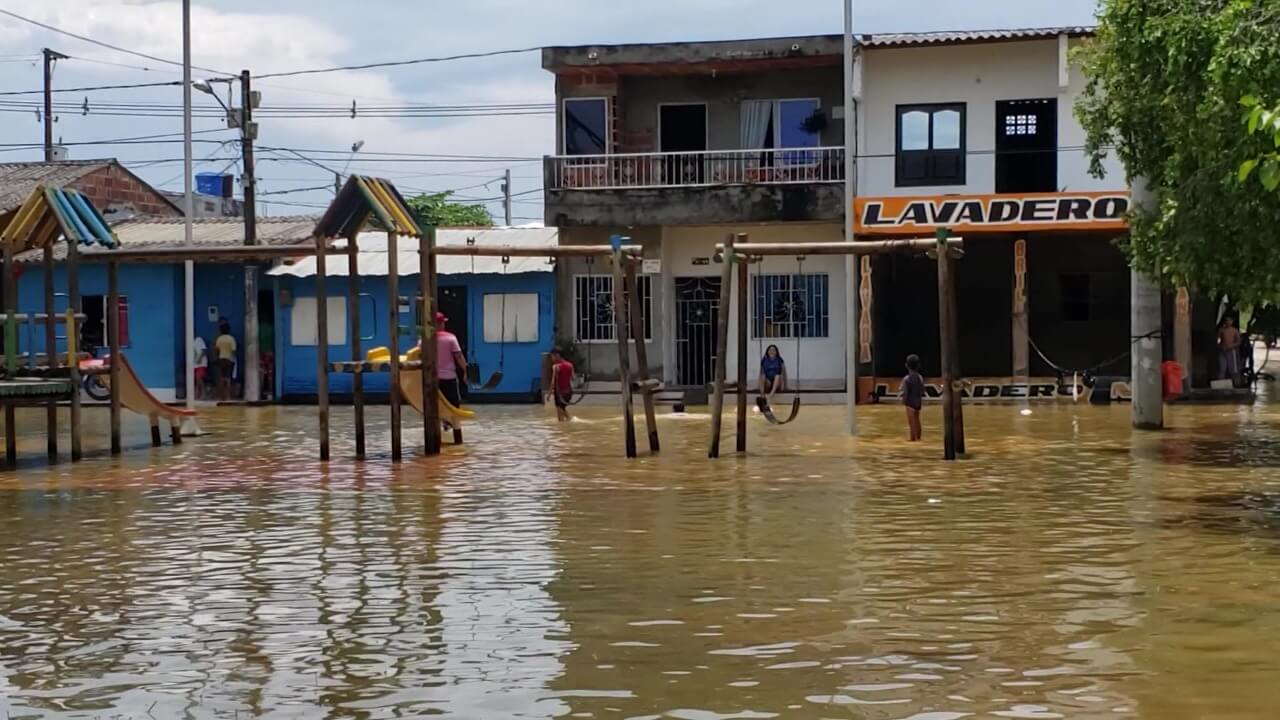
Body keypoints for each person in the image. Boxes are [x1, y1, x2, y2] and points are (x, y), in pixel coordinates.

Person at [435, 312, 468, 410]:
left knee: (436, 407)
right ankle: (453, 424)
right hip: (449, 378)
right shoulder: (450, 338)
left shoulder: (424, 340)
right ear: (441, 324)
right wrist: (466, 371)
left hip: (432, 379)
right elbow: (458, 356)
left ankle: (442, 423)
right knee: (453, 407)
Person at [547, 348, 575, 422]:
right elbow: (573, 378)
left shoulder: (556, 366)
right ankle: (570, 421)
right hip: (568, 392)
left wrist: (549, 394)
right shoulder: (570, 365)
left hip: (559, 393)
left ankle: (568, 422)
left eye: (552, 356)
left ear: (557, 355)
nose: (551, 358)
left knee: (560, 411)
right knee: (561, 408)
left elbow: (553, 382)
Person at [902, 354, 925, 442]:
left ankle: (912, 439)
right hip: (918, 402)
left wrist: (904, 401)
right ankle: (918, 438)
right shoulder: (920, 377)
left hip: (910, 403)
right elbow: (922, 390)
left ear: (906, 365)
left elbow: (905, 392)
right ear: (918, 365)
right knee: (917, 420)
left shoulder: (906, 379)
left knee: (911, 422)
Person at [215, 320, 237, 401]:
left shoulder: (219, 339)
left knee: (221, 378)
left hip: (221, 359)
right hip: (229, 359)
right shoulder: (231, 339)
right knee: (228, 378)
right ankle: (228, 396)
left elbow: (217, 350)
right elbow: (234, 350)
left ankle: (221, 396)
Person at [1218, 316, 1242, 382]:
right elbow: (1218, 340)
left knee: (1233, 369)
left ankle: (1235, 383)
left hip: (1231, 351)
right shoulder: (1221, 330)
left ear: (1232, 322)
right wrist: (1220, 345)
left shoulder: (1235, 331)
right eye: (1227, 320)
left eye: (1229, 320)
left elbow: (1239, 342)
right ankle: (1221, 383)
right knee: (1222, 368)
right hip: (1222, 351)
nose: (1228, 322)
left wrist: (1231, 346)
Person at [192, 333, 208, 400]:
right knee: (197, 380)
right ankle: (197, 394)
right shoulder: (191, 342)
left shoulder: (199, 340)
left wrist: (199, 359)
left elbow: (204, 350)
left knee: (199, 379)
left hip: (201, 363)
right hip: (195, 364)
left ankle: (204, 394)